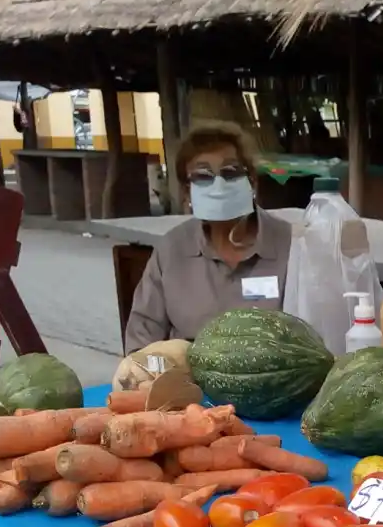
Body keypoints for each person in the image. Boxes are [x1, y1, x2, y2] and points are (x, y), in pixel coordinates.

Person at [123, 121, 293, 353]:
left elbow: (316, 332)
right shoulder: (172, 250)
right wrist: (161, 375)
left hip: (274, 380)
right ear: (187, 192)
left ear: (252, 182)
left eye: (230, 172)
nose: (219, 185)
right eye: (203, 176)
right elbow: (142, 341)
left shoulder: (291, 245)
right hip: (185, 381)